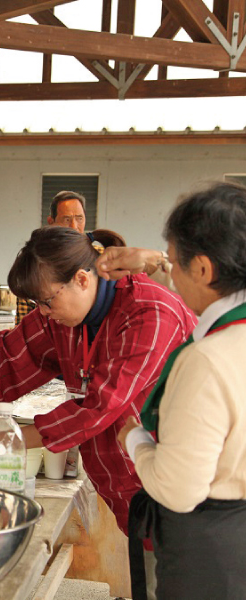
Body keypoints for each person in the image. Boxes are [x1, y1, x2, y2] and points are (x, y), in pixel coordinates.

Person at [0, 226, 197, 544]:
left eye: (47, 301)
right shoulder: (62, 315)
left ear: (81, 278)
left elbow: (98, 407)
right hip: (125, 479)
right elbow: (12, 354)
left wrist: (0, 443)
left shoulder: (150, 313)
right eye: (38, 304)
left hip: (178, 484)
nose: (44, 313)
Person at [115, 182, 246, 600]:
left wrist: (132, 438)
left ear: (204, 270)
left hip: (212, 552)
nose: (167, 271)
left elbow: (178, 488)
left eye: (173, 261)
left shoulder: (206, 360)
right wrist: (153, 261)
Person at [16, 190, 88, 325]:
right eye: (66, 219)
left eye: (79, 218)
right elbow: (23, 326)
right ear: (51, 222)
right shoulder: (36, 262)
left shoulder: (101, 259)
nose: (74, 226)